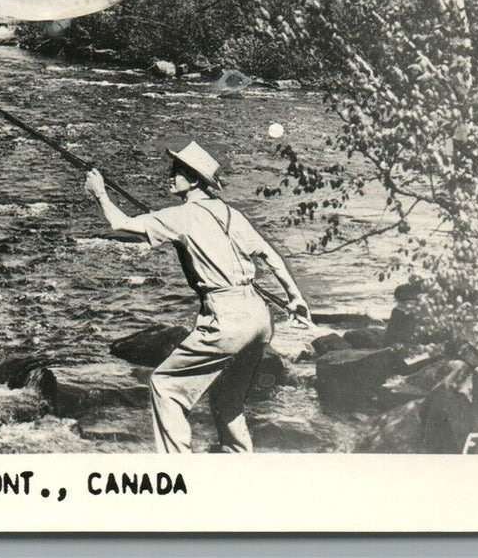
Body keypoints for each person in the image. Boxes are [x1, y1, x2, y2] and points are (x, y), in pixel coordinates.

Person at [85, 140, 311, 454]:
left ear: (193, 180)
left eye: (176, 171)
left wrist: (100, 193)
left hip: (226, 319)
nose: (169, 176)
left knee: (165, 386)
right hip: (260, 318)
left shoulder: (181, 216)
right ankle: (240, 462)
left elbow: (120, 224)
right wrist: (295, 297)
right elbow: (270, 256)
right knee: (228, 400)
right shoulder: (231, 214)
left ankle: (181, 470)